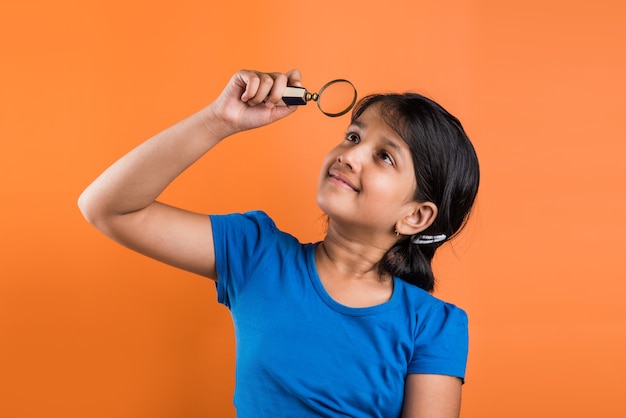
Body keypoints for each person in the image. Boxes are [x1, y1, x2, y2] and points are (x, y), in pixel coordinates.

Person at [78, 69, 480, 418]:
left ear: (415, 216)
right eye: (353, 136)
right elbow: (108, 208)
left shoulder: (433, 325)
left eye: (384, 156)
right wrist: (220, 120)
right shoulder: (256, 255)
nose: (350, 155)